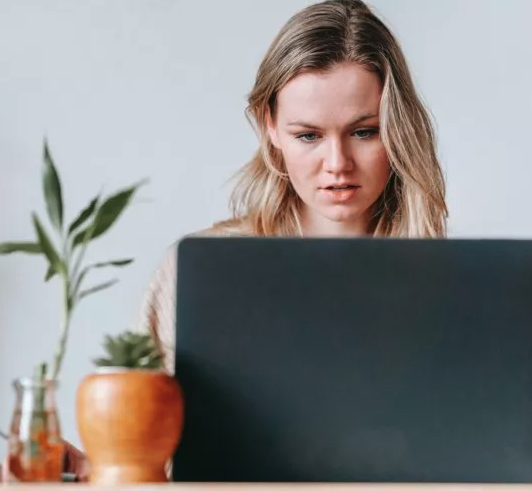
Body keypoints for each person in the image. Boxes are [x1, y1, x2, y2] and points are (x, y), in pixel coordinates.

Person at [65, 0, 448, 479]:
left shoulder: (446, 285)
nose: (337, 163)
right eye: (308, 136)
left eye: (365, 132)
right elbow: (138, 460)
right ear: (271, 129)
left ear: (398, 130)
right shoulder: (200, 272)